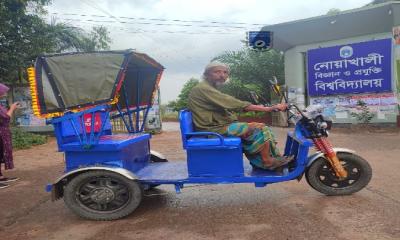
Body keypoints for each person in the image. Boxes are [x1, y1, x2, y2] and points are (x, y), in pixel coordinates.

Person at [188, 61, 293, 171]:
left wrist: (257, 107)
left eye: (225, 72)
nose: (222, 75)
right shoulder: (203, 88)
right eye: (217, 72)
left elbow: (227, 107)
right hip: (213, 129)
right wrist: (267, 109)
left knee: (262, 127)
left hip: (218, 125)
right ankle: (267, 161)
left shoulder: (210, 88)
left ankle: (268, 160)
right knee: (259, 128)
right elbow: (232, 103)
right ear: (207, 74)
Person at [0, 83, 20, 189]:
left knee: (1, 154)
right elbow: (5, 117)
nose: (4, 93)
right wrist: (12, 108)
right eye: (3, 92)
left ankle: (1, 177)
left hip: (3, 132)